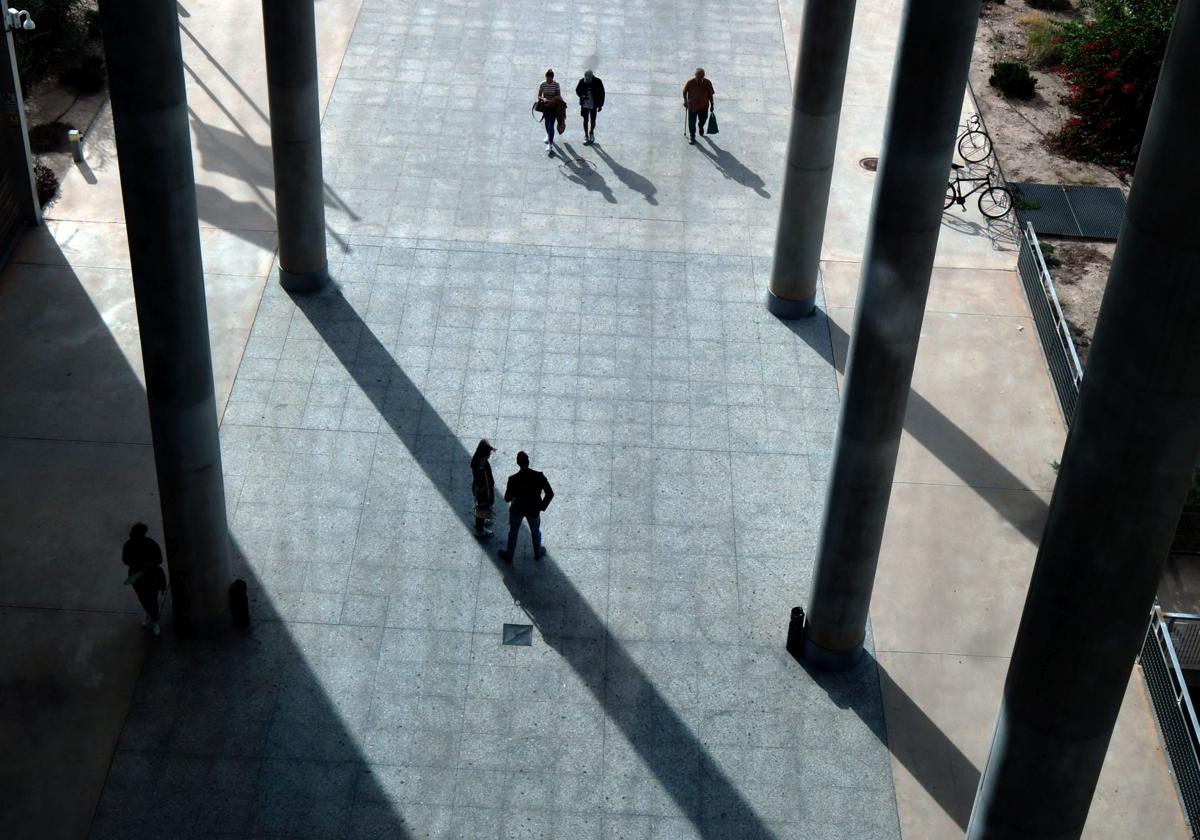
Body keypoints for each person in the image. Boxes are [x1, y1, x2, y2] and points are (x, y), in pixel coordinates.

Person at [498, 451, 554, 563]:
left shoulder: (513, 479)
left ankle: (509, 554)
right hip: (533, 509)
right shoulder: (539, 476)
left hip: (517, 509)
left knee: (513, 532)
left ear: (517, 463)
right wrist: (542, 506)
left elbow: (507, 498)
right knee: (535, 531)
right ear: (528, 461)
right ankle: (537, 552)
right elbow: (550, 493)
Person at [122, 523, 167, 636]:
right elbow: (159, 560)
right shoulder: (150, 544)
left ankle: (151, 616)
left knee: (144, 597)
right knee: (150, 598)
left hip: (137, 574)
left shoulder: (129, 544)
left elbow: (125, 560)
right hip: (149, 574)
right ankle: (154, 619)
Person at [682, 67, 715, 145]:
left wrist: (712, 104)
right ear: (695, 75)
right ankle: (692, 136)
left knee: (703, 119)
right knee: (691, 122)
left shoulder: (708, 83)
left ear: (704, 76)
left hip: (704, 106)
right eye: (698, 77)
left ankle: (700, 126)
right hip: (692, 106)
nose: (699, 79)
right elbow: (684, 91)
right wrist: (685, 101)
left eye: (701, 77)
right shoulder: (690, 82)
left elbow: (710, 95)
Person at [537, 69, 566, 156]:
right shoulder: (543, 84)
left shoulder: (556, 84)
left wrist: (552, 100)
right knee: (546, 123)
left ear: (552, 78)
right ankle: (548, 134)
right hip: (546, 107)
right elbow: (539, 96)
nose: (548, 81)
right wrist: (543, 99)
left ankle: (550, 144)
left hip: (554, 107)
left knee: (551, 125)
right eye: (547, 79)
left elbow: (558, 96)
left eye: (550, 79)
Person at [471, 439, 496, 539]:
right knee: (482, 509)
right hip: (483, 494)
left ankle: (481, 522)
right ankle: (479, 529)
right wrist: (488, 498)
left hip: (480, 491)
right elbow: (482, 486)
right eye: (488, 453)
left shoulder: (477, 460)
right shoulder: (480, 468)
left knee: (482, 509)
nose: (489, 455)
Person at [575, 69, 605, 145]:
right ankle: (586, 135)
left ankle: (591, 132)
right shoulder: (582, 81)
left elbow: (602, 94)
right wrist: (582, 96)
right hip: (585, 104)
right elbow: (577, 90)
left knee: (593, 120)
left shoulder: (598, 82)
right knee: (585, 120)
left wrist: (600, 105)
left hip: (593, 104)